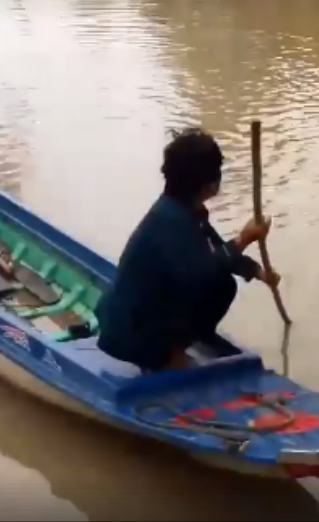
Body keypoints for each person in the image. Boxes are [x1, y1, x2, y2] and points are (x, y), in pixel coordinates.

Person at [96, 129, 281, 372]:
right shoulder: (169, 221)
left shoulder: (186, 212)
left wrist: (258, 272)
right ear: (210, 184)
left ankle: (175, 349)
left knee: (222, 284)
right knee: (208, 285)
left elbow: (216, 251)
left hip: (143, 319)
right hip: (128, 335)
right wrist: (244, 239)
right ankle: (166, 356)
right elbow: (200, 273)